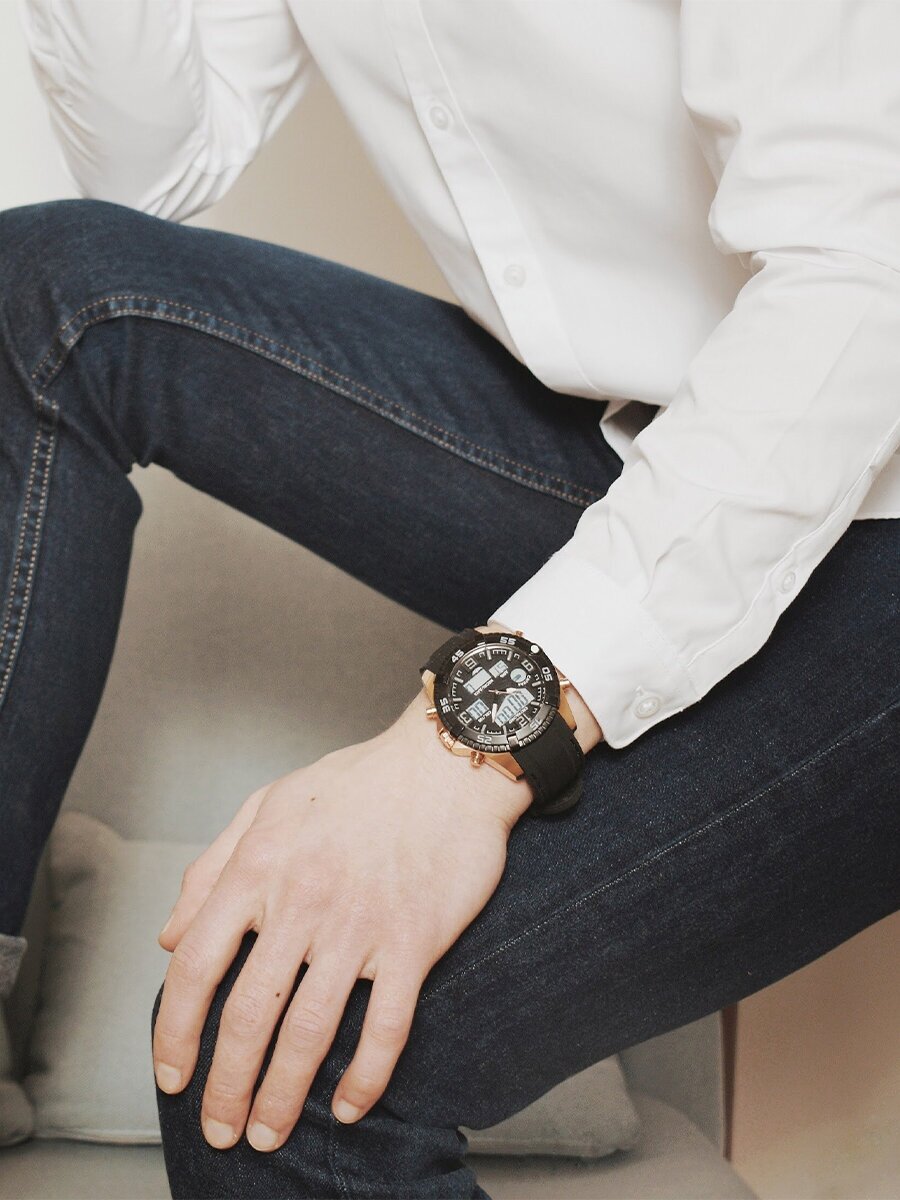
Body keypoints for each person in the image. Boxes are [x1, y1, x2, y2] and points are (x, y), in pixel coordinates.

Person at [2, 1, 898, 1196]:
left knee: (279, 1054)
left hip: (868, 484)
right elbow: (145, 176)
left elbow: (865, 280)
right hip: (647, 446)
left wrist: (464, 745)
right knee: (55, 294)